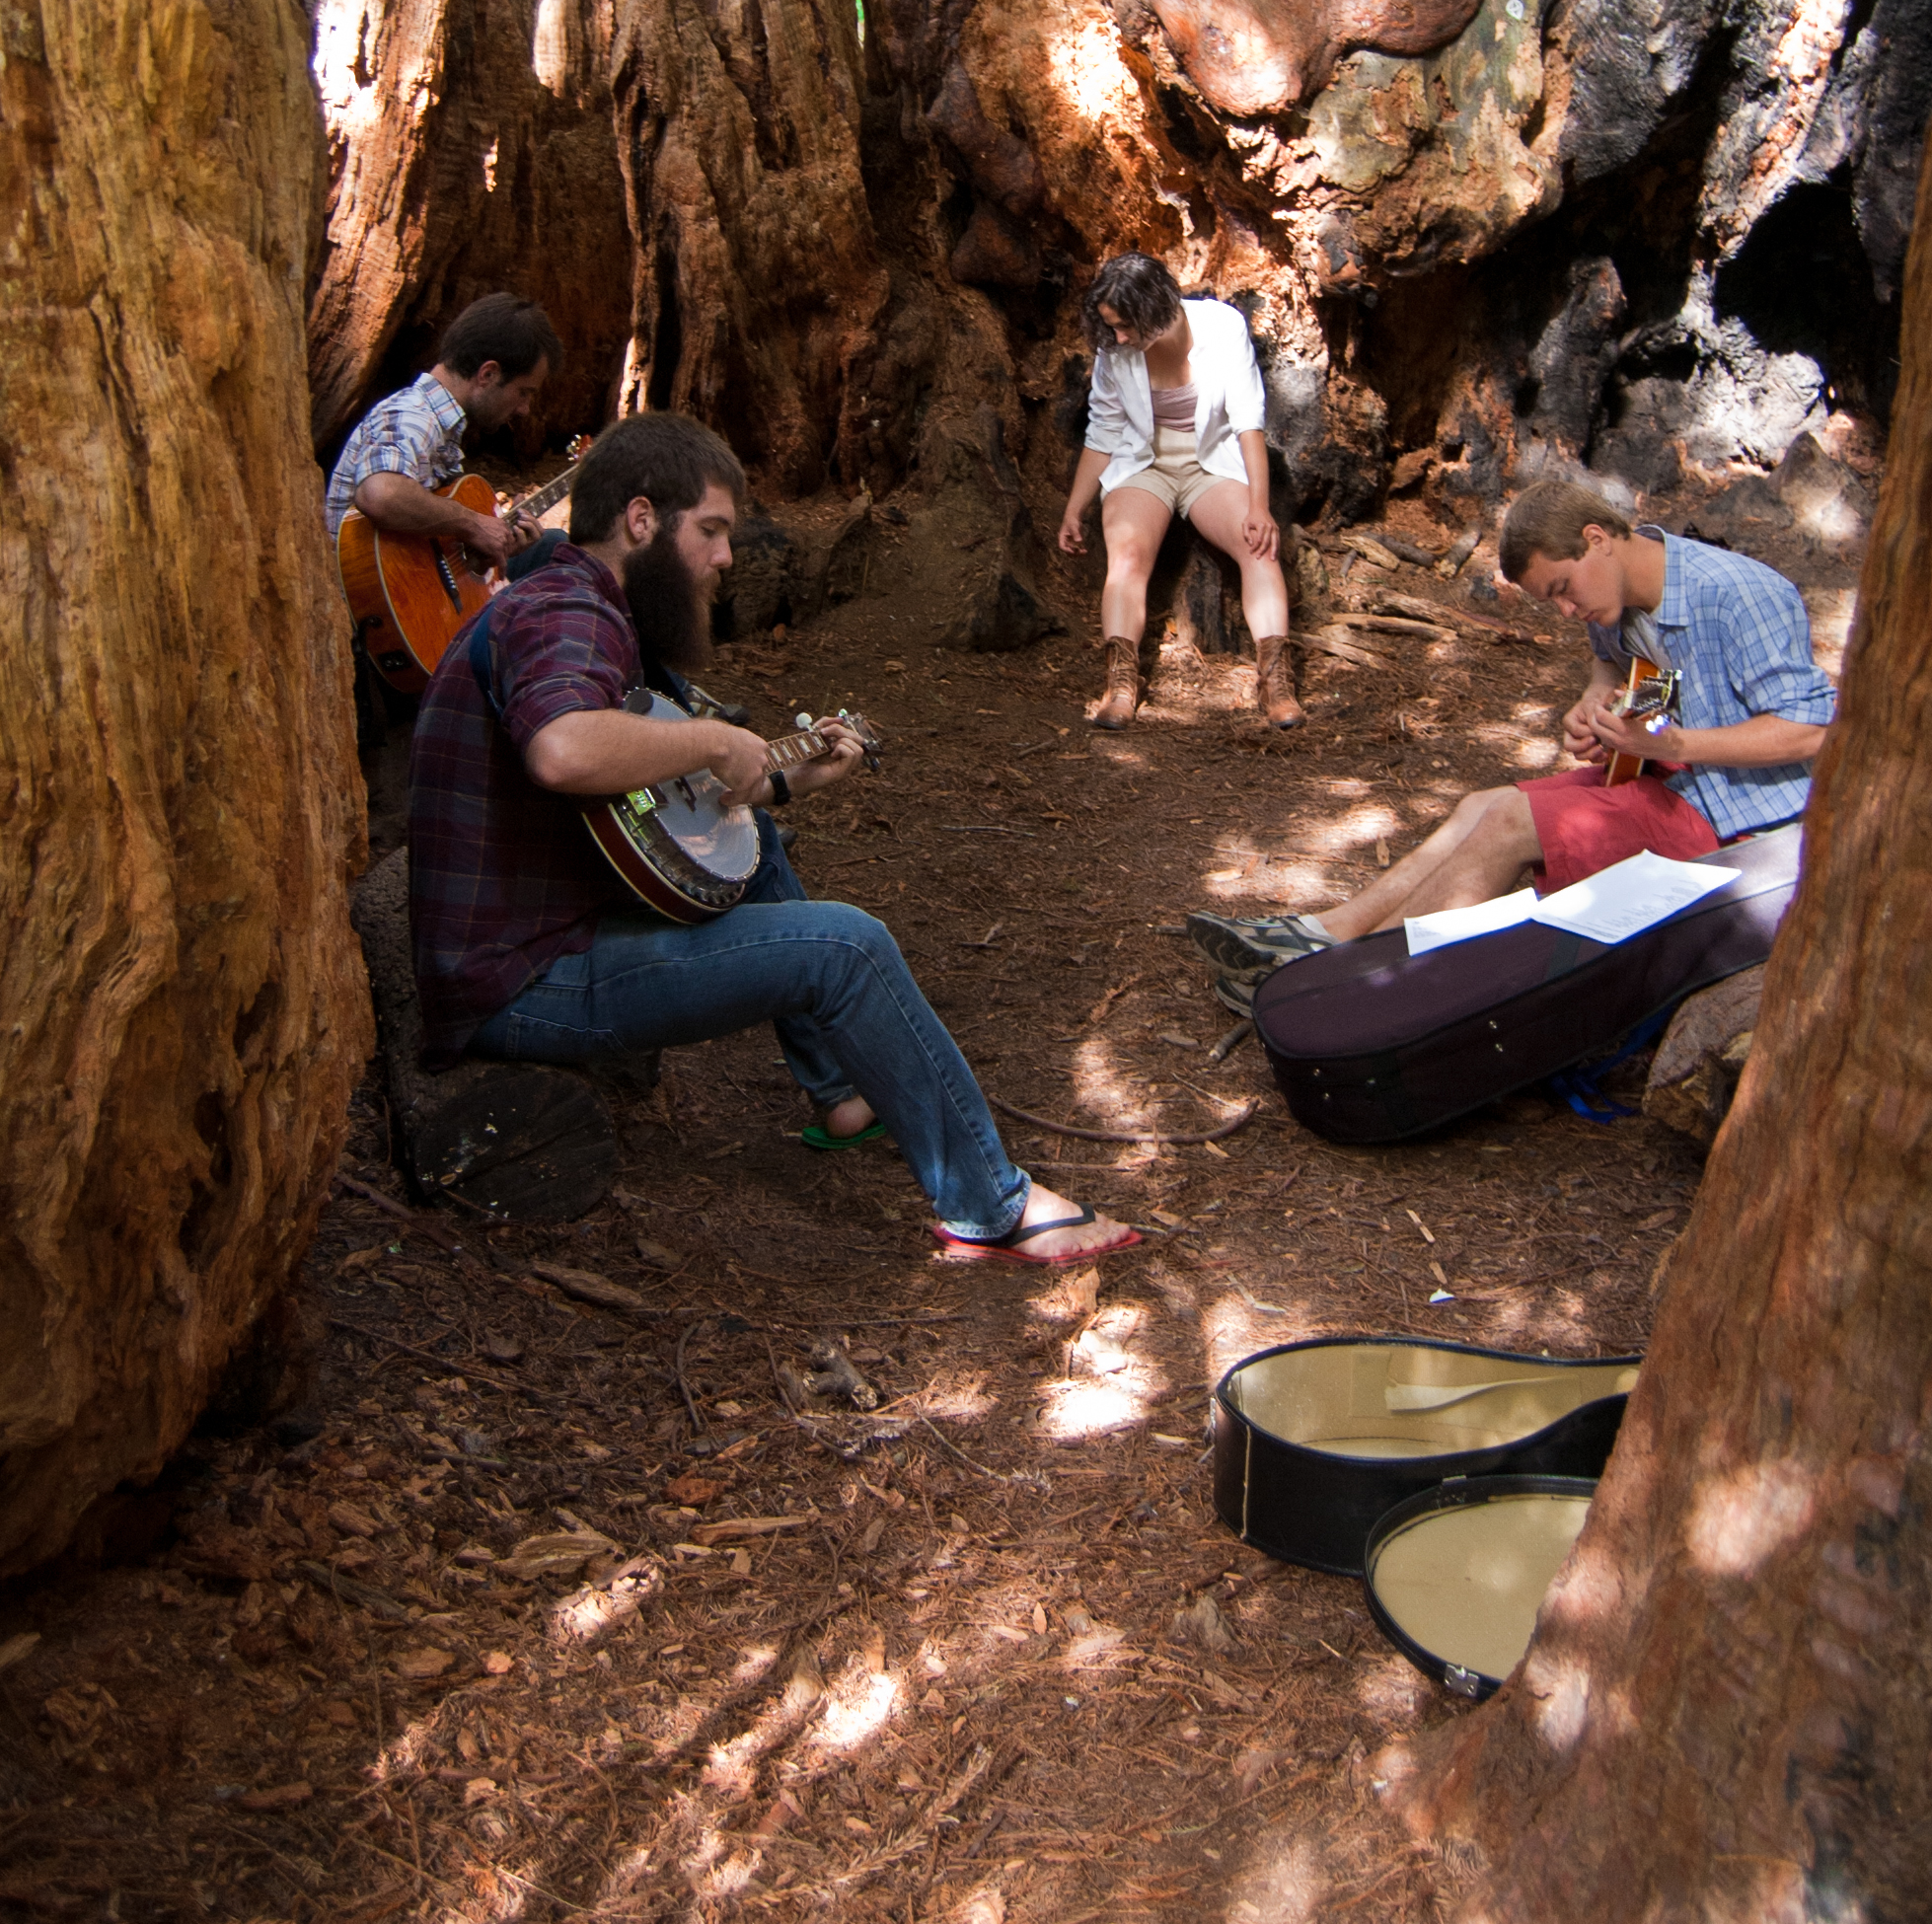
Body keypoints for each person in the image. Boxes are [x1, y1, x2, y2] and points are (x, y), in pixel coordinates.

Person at [409, 409, 1139, 1268]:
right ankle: (993, 1206)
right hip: (519, 981)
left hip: (545, 932)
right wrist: (714, 740)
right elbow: (563, 749)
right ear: (641, 520)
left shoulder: (589, 605)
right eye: (711, 530)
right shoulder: (566, 609)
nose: (726, 557)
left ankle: (838, 1092)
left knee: (755, 840)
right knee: (847, 948)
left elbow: (656, 802)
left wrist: (788, 776)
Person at [1222, 476, 1835, 961]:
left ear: (1597, 538)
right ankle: (1326, 934)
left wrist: (1673, 744)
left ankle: (1359, 973)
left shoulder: (1739, 594)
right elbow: (1619, 669)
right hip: (1676, 779)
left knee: (1511, 823)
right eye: (1552, 600)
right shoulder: (1619, 598)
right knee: (1480, 807)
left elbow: (1811, 731)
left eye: (1564, 588)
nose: (1566, 610)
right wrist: (1596, 704)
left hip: (1747, 824)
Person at [1058, 253, 1301, 732]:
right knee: (1127, 557)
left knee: (1258, 547)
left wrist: (1259, 506)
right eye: (1111, 327)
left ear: (1155, 306)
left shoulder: (1223, 326)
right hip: (1144, 461)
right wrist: (1074, 509)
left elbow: (1248, 421)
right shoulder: (1114, 349)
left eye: (1125, 325)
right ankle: (1120, 686)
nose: (1118, 337)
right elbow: (1103, 431)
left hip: (1211, 461)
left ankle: (1277, 683)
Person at [324, 290, 562, 566]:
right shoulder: (413, 415)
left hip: (410, 583)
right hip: (361, 587)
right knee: (556, 548)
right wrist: (472, 523)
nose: (525, 409)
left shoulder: (439, 425)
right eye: (524, 392)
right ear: (488, 374)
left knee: (549, 545)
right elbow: (381, 494)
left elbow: (427, 551)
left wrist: (489, 550)